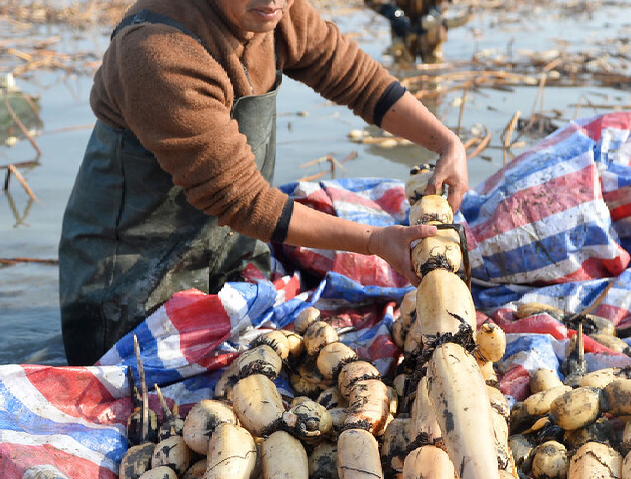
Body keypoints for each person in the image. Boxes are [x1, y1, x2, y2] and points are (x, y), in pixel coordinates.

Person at [58, 0, 468, 366]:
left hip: (230, 257)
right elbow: (243, 200)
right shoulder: (156, 51)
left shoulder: (273, 13)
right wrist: (374, 241)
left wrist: (445, 141)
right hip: (129, 292)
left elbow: (358, 81)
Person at [364, 0, 450, 65]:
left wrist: (437, 10)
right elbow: (371, 1)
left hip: (432, 33)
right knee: (402, 74)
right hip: (401, 34)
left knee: (435, 74)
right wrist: (391, 12)